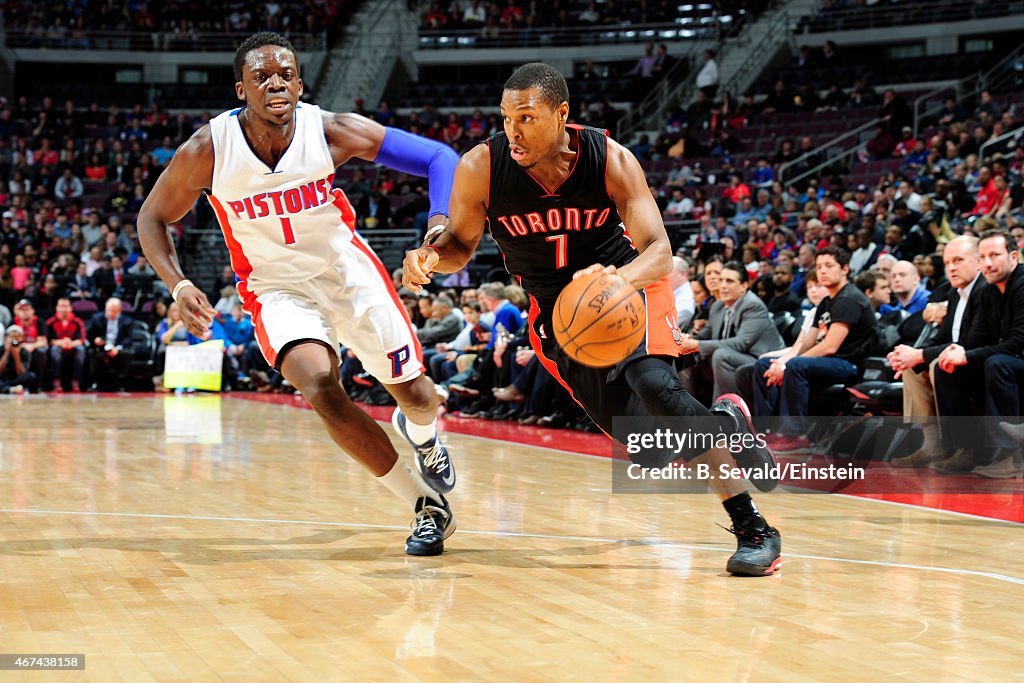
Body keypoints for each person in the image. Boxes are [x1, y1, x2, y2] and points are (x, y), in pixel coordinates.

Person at [402, 63, 781, 577]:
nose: (513, 130)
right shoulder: (482, 166)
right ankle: (728, 426)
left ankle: (754, 527)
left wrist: (615, 285)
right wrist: (429, 256)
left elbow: (660, 252)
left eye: (527, 117)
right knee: (646, 450)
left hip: (629, 287)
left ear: (562, 114)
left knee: (656, 385)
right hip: (558, 313)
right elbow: (461, 247)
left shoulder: (610, 159)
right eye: (506, 117)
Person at [137, 32, 460, 556]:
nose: (276, 83)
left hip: (347, 274)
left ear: (300, 83)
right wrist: (179, 282)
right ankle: (426, 506)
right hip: (275, 287)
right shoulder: (208, 150)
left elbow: (440, 158)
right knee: (321, 388)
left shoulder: (330, 130)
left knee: (418, 397)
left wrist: (437, 224)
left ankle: (423, 435)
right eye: (262, 76)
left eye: (285, 73)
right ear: (241, 89)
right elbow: (152, 217)